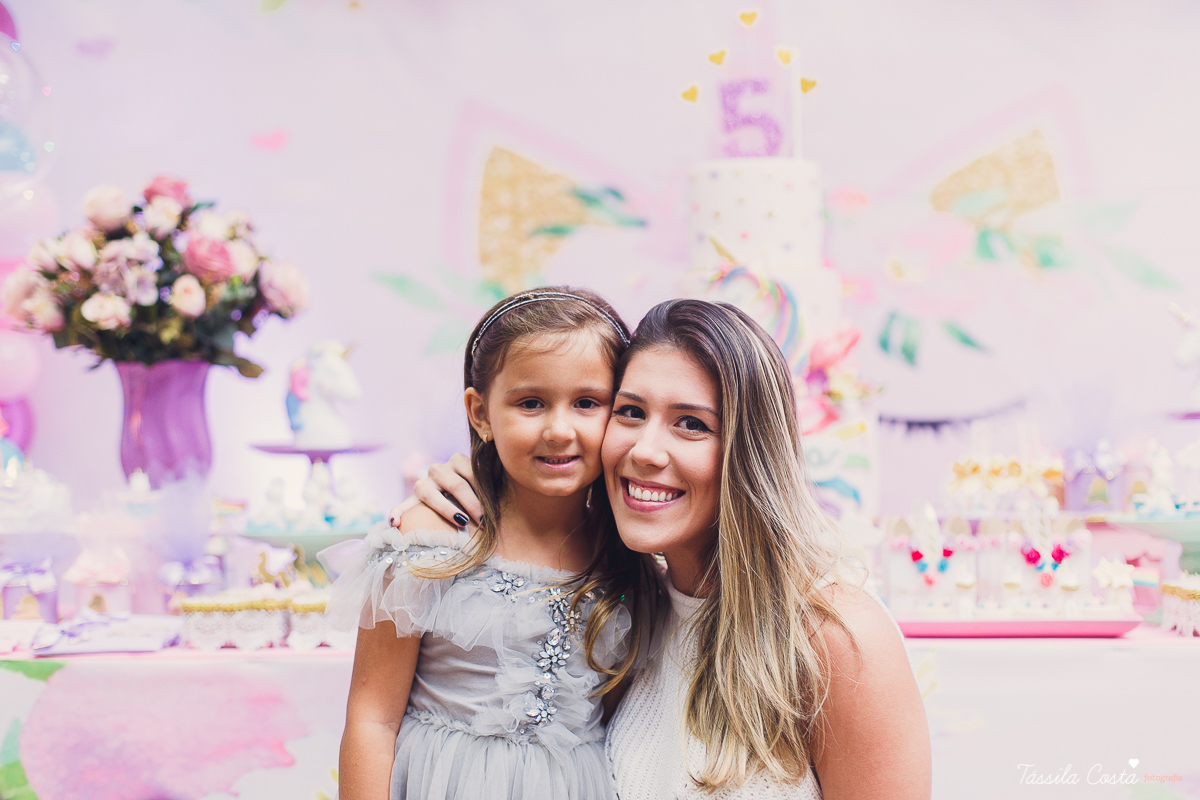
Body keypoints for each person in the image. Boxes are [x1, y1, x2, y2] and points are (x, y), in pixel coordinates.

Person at [399, 299, 932, 799]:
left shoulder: (834, 636)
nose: (645, 450)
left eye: (691, 424)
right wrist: (470, 488)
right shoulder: (625, 613)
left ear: (750, 452)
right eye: (630, 413)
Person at [324, 288, 659, 800]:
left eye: (588, 403)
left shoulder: (628, 551)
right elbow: (372, 719)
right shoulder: (428, 541)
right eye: (530, 403)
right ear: (480, 413)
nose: (559, 430)